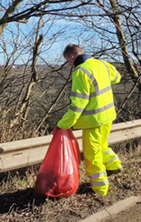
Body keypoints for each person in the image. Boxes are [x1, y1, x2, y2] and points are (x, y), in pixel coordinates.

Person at [57, 44, 122, 196]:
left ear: (72, 57)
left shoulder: (80, 72)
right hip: (108, 116)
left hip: (94, 120)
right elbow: (117, 78)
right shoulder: (102, 64)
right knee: (101, 145)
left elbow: (78, 103)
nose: (69, 64)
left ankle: (100, 189)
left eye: (68, 61)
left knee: (92, 155)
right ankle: (113, 165)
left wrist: (64, 124)